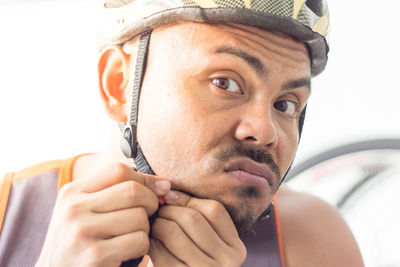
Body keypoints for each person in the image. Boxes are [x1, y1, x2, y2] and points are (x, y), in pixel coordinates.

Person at [0, 0, 364, 266]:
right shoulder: (7, 214)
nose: (266, 131)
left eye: (286, 104)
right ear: (119, 85)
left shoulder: (314, 240)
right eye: (225, 82)